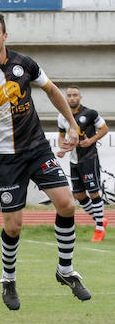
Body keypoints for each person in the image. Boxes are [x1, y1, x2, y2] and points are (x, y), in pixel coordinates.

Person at [0, 12, 89, 311]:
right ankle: (8, 279)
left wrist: (72, 124)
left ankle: (65, 270)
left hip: (36, 148)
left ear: (5, 35)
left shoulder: (25, 64)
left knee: (67, 204)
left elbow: (51, 90)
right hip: (5, 157)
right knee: (13, 225)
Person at [56, 86, 109, 241]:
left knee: (93, 193)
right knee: (79, 196)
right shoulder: (62, 116)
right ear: (66, 98)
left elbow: (104, 129)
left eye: (75, 95)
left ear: (80, 97)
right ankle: (100, 220)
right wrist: (63, 148)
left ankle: (99, 229)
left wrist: (90, 141)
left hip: (89, 158)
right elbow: (61, 136)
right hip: (74, 161)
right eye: (69, 95)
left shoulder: (90, 113)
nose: (72, 98)